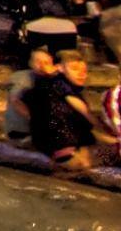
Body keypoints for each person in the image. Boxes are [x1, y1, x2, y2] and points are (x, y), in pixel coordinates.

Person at [16, 37, 110, 167]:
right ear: (59, 68)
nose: (81, 74)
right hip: (72, 155)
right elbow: (87, 115)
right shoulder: (62, 86)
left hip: (54, 151)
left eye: (84, 71)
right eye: (75, 69)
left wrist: (34, 121)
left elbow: (17, 100)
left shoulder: (42, 85)